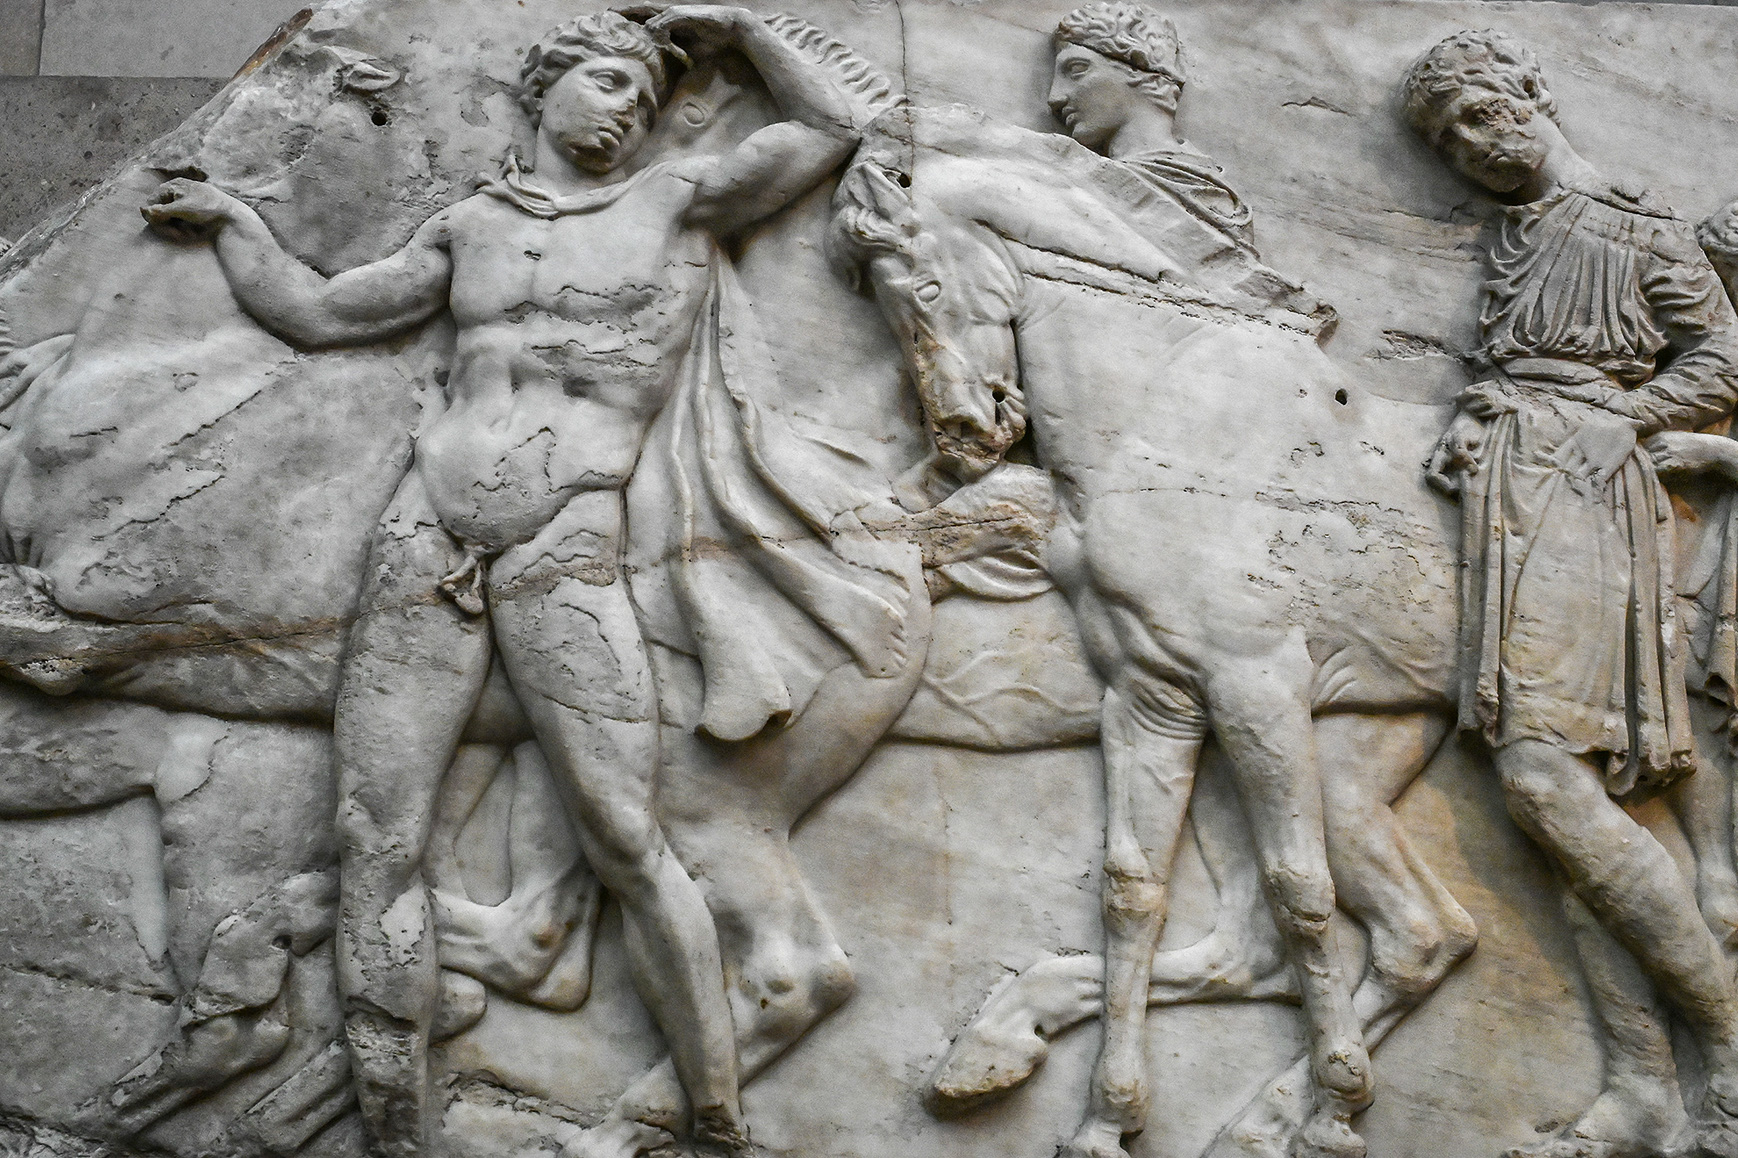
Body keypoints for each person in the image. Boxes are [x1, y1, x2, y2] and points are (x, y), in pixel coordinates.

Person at [142, 9, 864, 1156]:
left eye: (642, 95)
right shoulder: (469, 227)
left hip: (563, 550)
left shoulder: (674, 203)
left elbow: (831, 125)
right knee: (376, 833)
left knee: (624, 837)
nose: (624, 108)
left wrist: (735, 27)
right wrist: (235, 221)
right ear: (544, 91)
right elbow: (322, 312)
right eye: (605, 82)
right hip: (425, 544)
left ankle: (715, 1114)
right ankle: (392, 1129)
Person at [1406, 29, 1738, 1158]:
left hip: (1587, 492)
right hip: (1511, 482)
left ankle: (1729, 1055)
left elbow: (1719, 357)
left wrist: (1622, 418)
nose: (1468, 146)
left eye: (1478, 116)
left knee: (1548, 781)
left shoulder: (1631, 227)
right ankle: (1646, 1087)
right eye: (1447, 139)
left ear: (1532, 94)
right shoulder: (1519, 234)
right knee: (1572, 804)